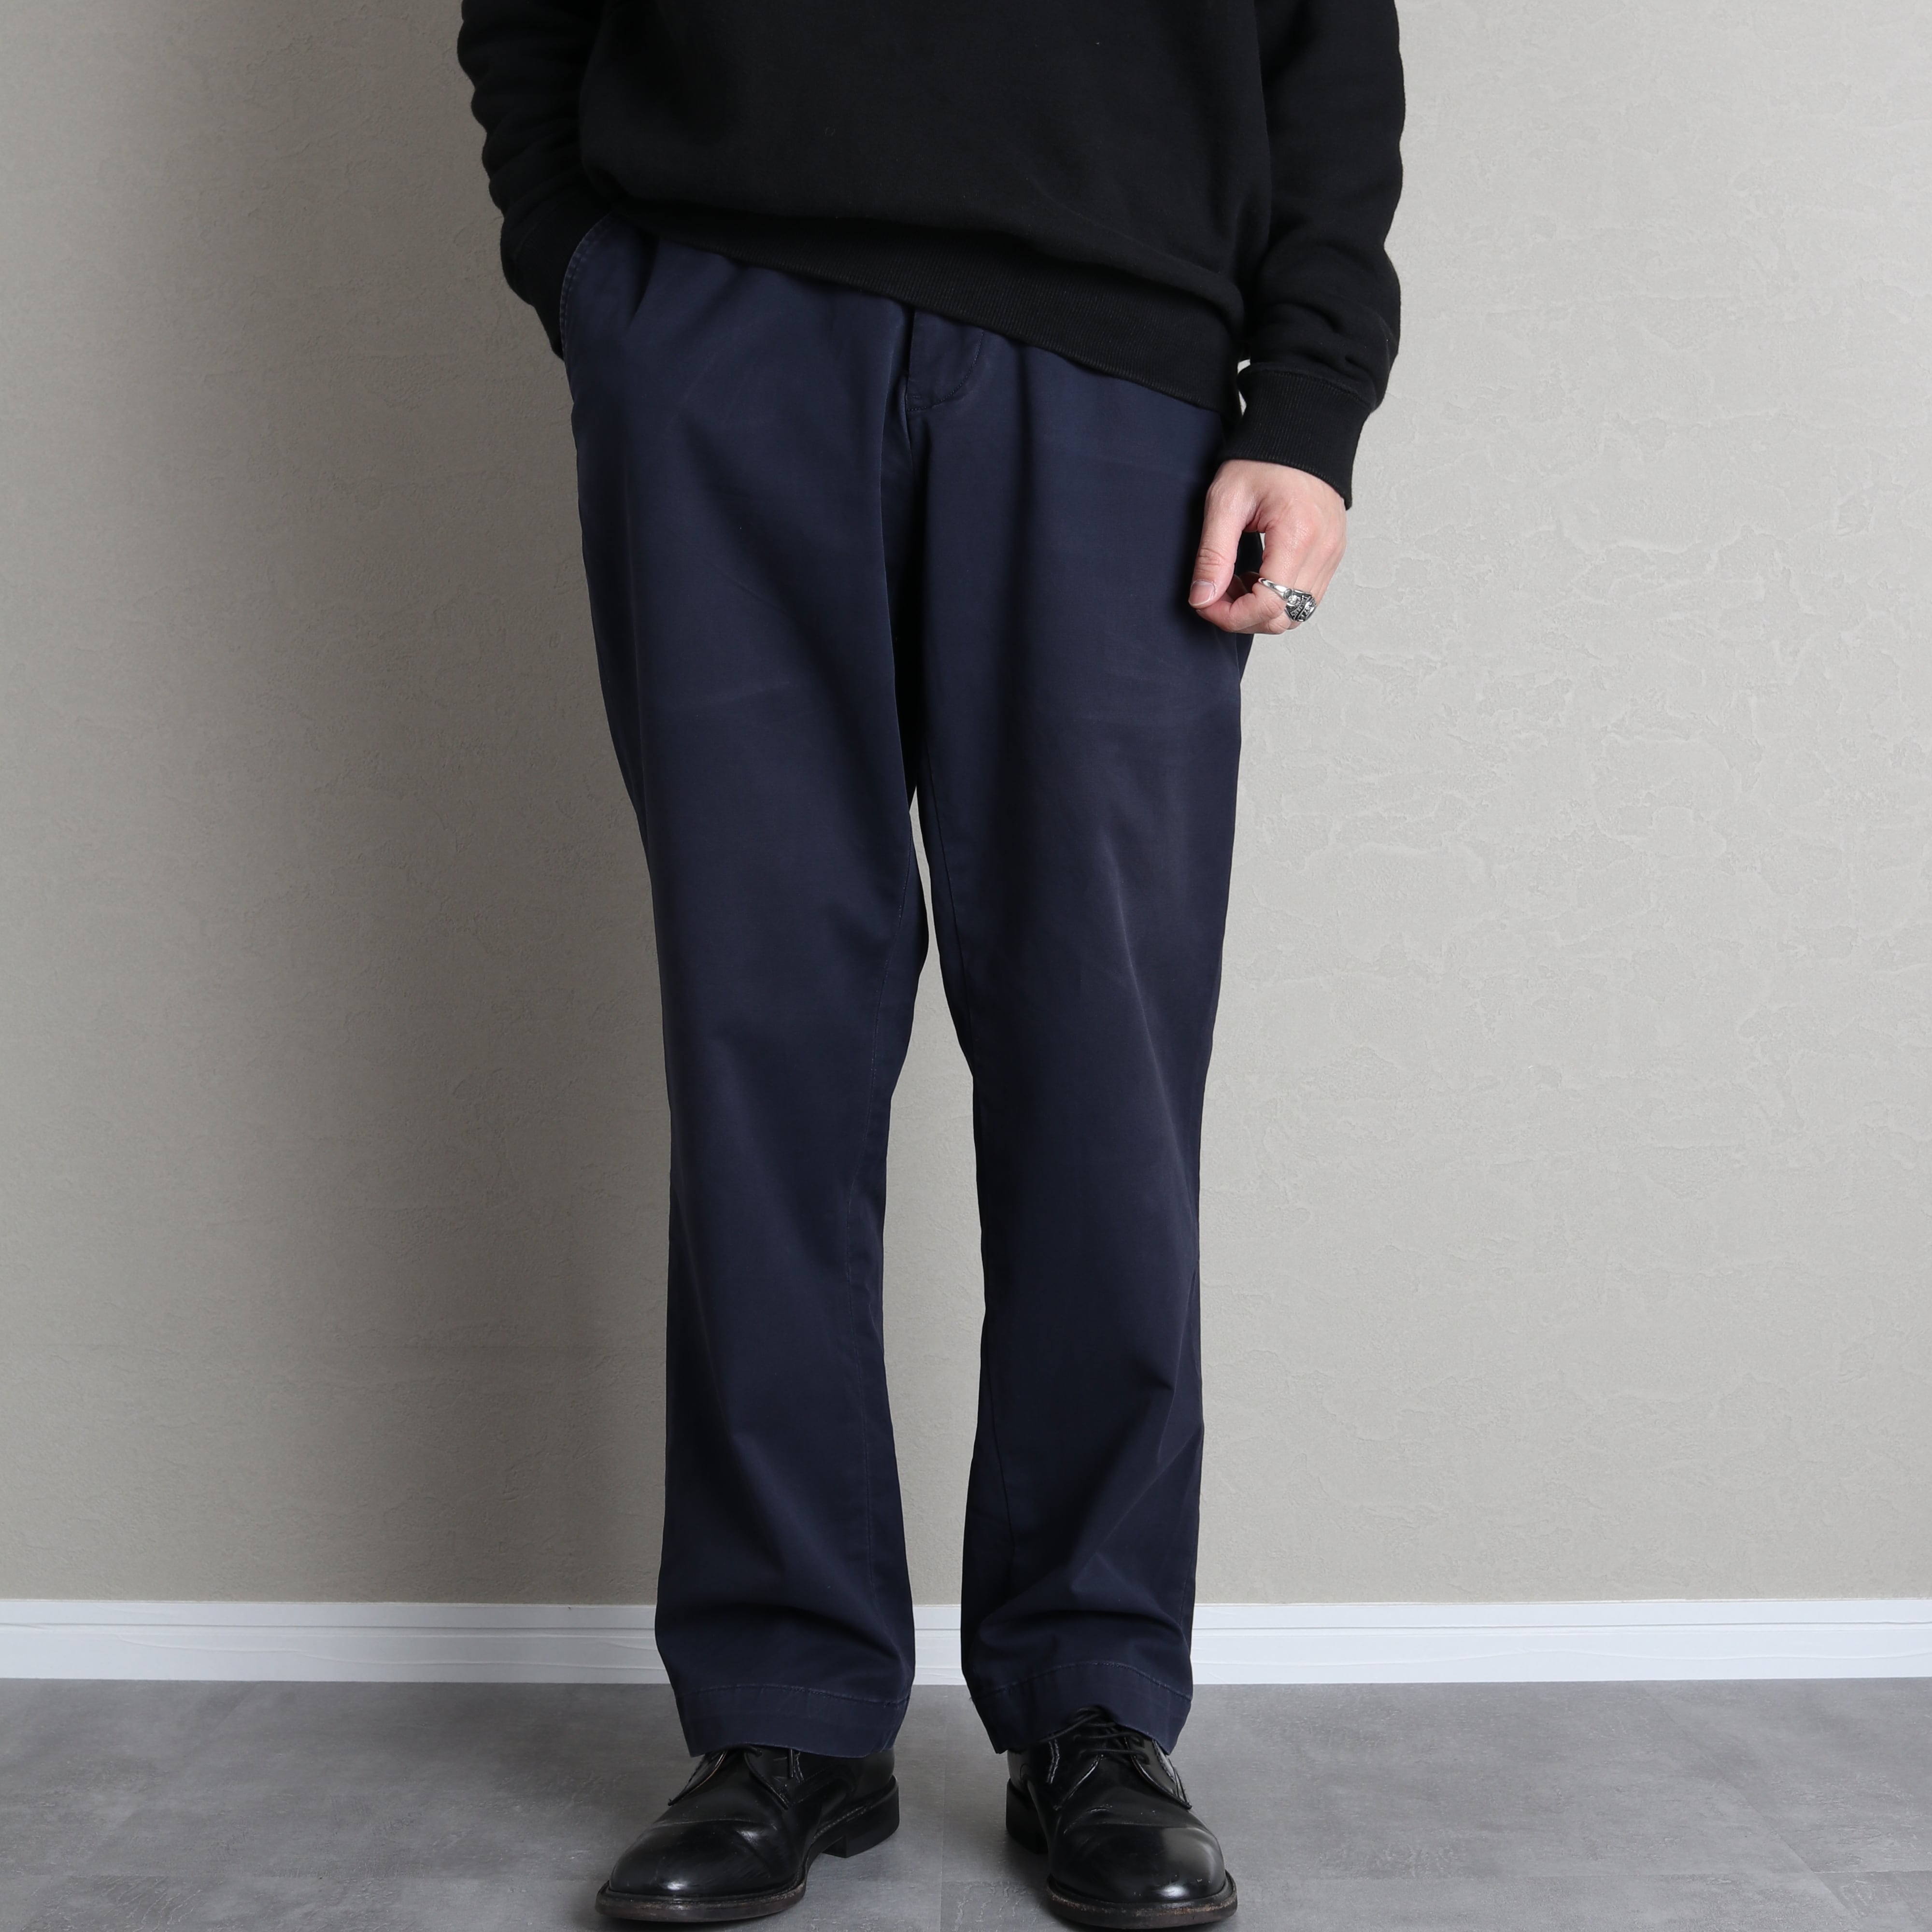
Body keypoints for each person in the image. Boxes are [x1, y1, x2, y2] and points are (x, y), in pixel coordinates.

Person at [457, 3, 1402, 1922]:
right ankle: (785, 1713)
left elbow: (1327, 39)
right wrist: (598, 282)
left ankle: (1094, 1705)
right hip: (722, 328)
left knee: (1103, 1061)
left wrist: (1307, 405)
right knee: (763, 1051)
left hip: (1115, 372)